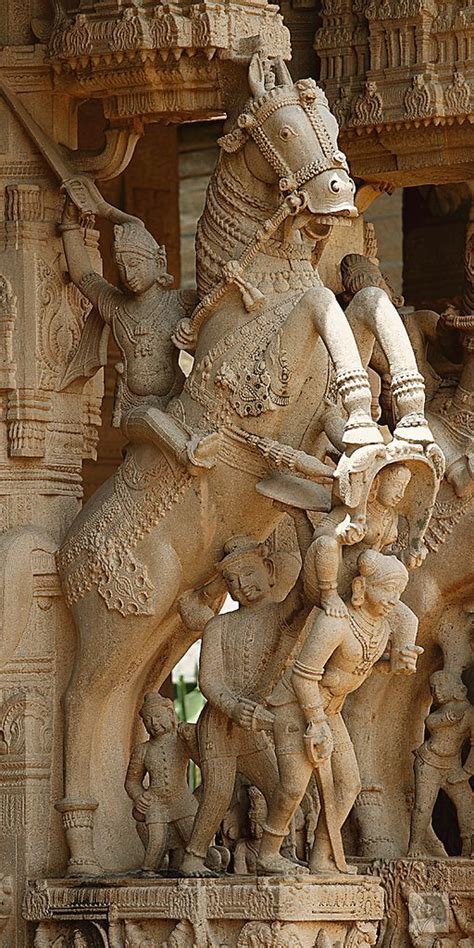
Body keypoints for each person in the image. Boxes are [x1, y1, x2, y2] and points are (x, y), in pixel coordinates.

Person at [257, 550, 421, 875]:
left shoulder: (381, 626)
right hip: (297, 706)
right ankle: (267, 853)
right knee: (294, 787)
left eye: (398, 593)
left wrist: (392, 664)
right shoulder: (336, 622)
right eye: (387, 590)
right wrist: (316, 722)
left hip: (331, 708)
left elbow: (360, 666)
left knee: (348, 785)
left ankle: (323, 855)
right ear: (361, 587)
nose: (393, 600)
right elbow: (303, 676)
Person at [179, 535, 310, 876]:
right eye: (232, 581)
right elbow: (208, 681)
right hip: (220, 723)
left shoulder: (281, 615)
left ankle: (279, 852)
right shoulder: (219, 625)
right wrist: (233, 707)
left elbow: (305, 592)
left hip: (253, 726)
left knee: (281, 787)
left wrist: (311, 533)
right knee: (218, 793)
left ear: (269, 570)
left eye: (249, 574)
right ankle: (193, 856)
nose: (242, 586)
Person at [59, 196, 218, 472]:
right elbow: (84, 276)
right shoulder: (116, 307)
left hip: (177, 401)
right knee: (147, 416)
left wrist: (194, 342)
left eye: (134, 263)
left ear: (159, 261)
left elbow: (218, 336)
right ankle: (189, 455)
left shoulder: (181, 303)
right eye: (121, 267)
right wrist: (70, 224)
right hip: (134, 410)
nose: (128, 273)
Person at [125, 693, 198, 874]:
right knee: (155, 848)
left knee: (196, 846)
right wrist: (138, 796)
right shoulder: (142, 750)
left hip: (182, 801)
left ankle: (216, 859)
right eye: (147, 721)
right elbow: (132, 782)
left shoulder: (181, 741)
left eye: (157, 717)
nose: (153, 723)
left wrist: (191, 741)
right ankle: (149, 873)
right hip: (156, 803)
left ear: (170, 714)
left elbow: (202, 761)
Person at [408, 670, 474, 859]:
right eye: (433, 688)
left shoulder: (469, 713)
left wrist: (467, 772)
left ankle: (469, 846)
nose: (436, 692)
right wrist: (447, 720)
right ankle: (415, 845)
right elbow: (431, 722)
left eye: (440, 686)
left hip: (453, 767)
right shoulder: (440, 714)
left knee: (466, 804)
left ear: (456, 688)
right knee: (423, 806)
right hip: (428, 762)